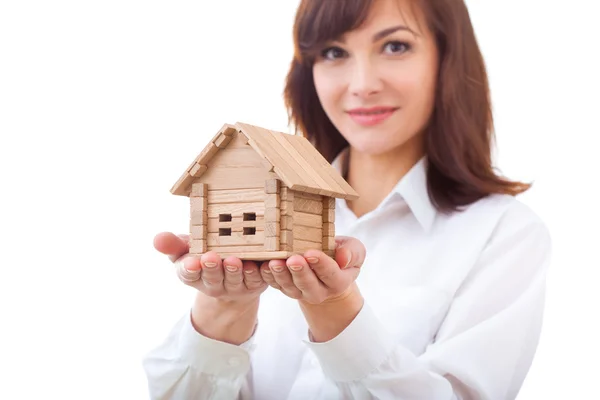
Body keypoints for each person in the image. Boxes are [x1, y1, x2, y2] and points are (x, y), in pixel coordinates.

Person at [143, 0, 552, 398]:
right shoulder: (270, 212)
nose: (362, 85)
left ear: (447, 60)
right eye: (334, 52)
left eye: (395, 46)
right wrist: (225, 310)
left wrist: (336, 311)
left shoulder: (506, 235)